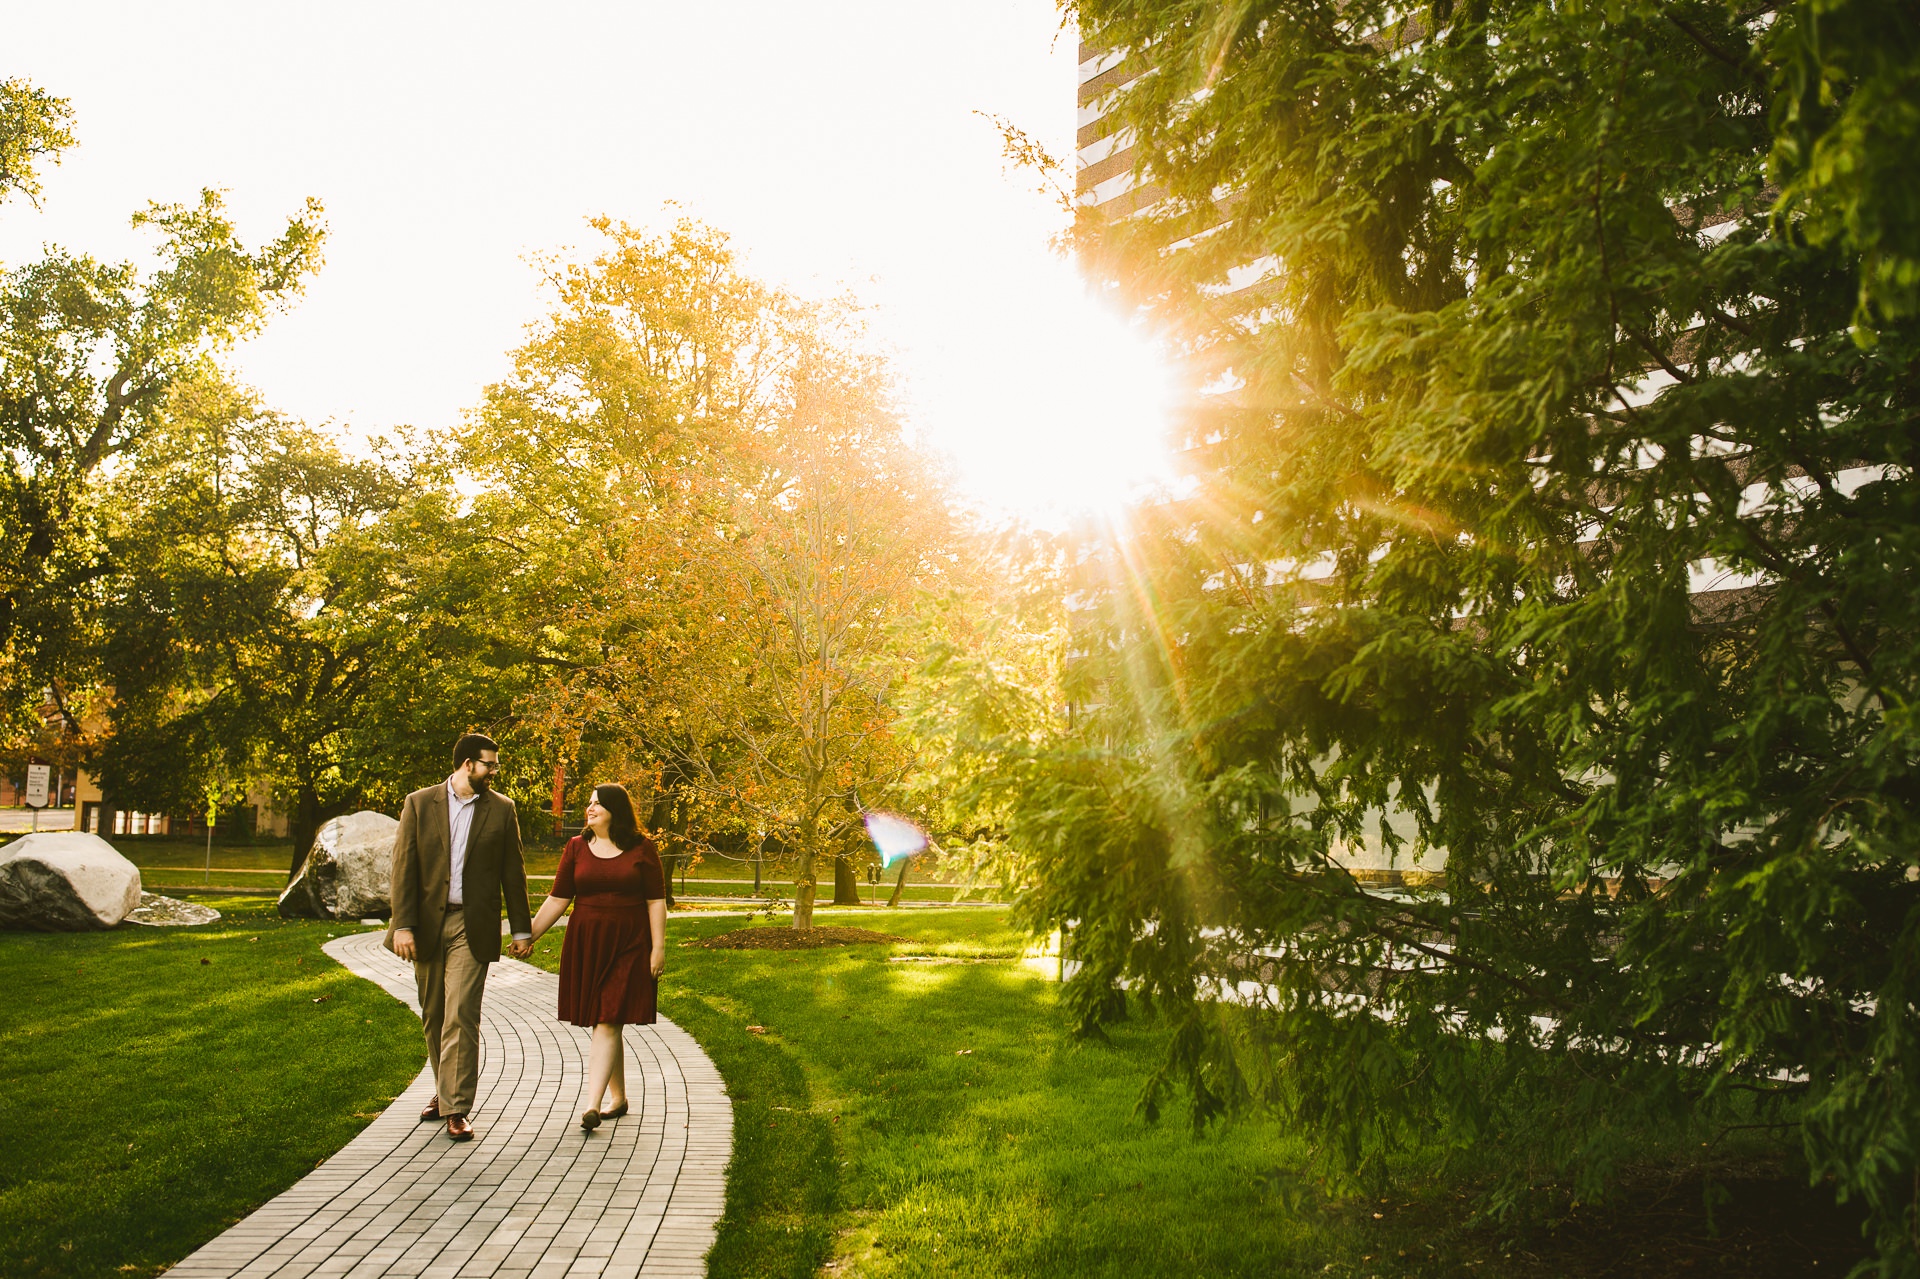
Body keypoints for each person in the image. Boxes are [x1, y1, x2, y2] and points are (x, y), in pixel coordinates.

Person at [385, 733, 534, 1142]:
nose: (494, 771)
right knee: (434, 1014)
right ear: (467, 764)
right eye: (489, 764)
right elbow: (403, 869)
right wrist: (402, 925)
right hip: (428, 926)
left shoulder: (502, 810)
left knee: (461, 1015)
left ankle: (457, 1107)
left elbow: (513, 873)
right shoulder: (419, 803)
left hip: (474, 925)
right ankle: (444, 1091)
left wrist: (521, 928)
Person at [526, 782, 667, 1133]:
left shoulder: (641, 848)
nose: (589, 809)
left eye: (597, 805)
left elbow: (655, 901)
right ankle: (618, 1098)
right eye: (588, 804)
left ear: (615, 811)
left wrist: (658, 948)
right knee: (606, 1019)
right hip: (588, 941)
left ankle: (591, 1105)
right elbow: (558, 899)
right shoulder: (576, 848)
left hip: (630, 942)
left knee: (607, 1018)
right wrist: (527, 936)